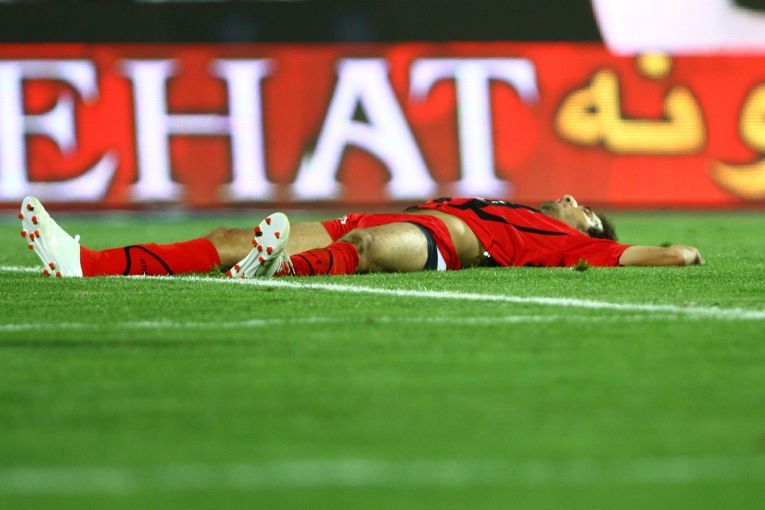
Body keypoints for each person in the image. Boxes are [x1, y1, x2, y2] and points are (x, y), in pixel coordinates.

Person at [18, 194, 704, 279]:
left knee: (370, 254)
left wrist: (683, 254)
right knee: (230, 233)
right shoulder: (507, 201)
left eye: (586, 211)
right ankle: (84, 261)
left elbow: (651, 253)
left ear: (586, 231)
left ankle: (279, 268)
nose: (574, 201)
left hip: (439, 242)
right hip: (376, 216)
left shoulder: (572, 243)